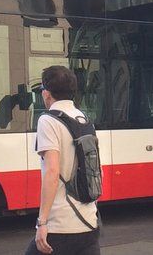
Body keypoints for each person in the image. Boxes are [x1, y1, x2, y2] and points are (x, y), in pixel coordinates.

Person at [27, 65, 100, 255]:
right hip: (89, 222)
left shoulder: (48, 120)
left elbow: (52, 172)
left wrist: (42, 223)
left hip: (61, 225)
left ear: (46, 93)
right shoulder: (84, 118)